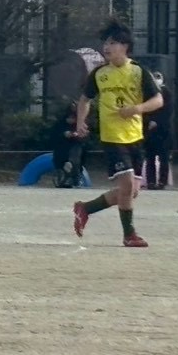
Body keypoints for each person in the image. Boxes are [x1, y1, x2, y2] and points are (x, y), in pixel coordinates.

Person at [70, 23, 162, 248]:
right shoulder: (100, 73)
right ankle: (129, 235)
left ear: (125, 46)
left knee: (130, 192)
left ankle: (85, 208)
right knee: (127, 186)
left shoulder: (138, 72)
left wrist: (137, 109)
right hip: (112, 137)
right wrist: (81, 122)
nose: (107, 47)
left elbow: (158, 100)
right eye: (105, 43)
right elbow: (85, 100)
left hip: (135, 137)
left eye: (112, 43)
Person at [143, 71, 173, 190]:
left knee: (164, 157)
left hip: (163, 130)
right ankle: (150, 181)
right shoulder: (148, 93)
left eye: (158, 77)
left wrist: (157, 121)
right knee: (150, 157)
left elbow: (168, 110)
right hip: (150, 131)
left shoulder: (167, 93)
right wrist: (148, 121)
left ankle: (162, 181)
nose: (156, 80)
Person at [51, 98, 87, 188]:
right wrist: (64, 134)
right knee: (61, 161)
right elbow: (55, 134)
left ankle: (75, 179)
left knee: (75, 160)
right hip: (62, 146)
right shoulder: (60, 123)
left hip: (76, 144)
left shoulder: (81, 122)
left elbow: (85, 135)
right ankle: (63, 178)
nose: (71, 119)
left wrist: (77, 135)